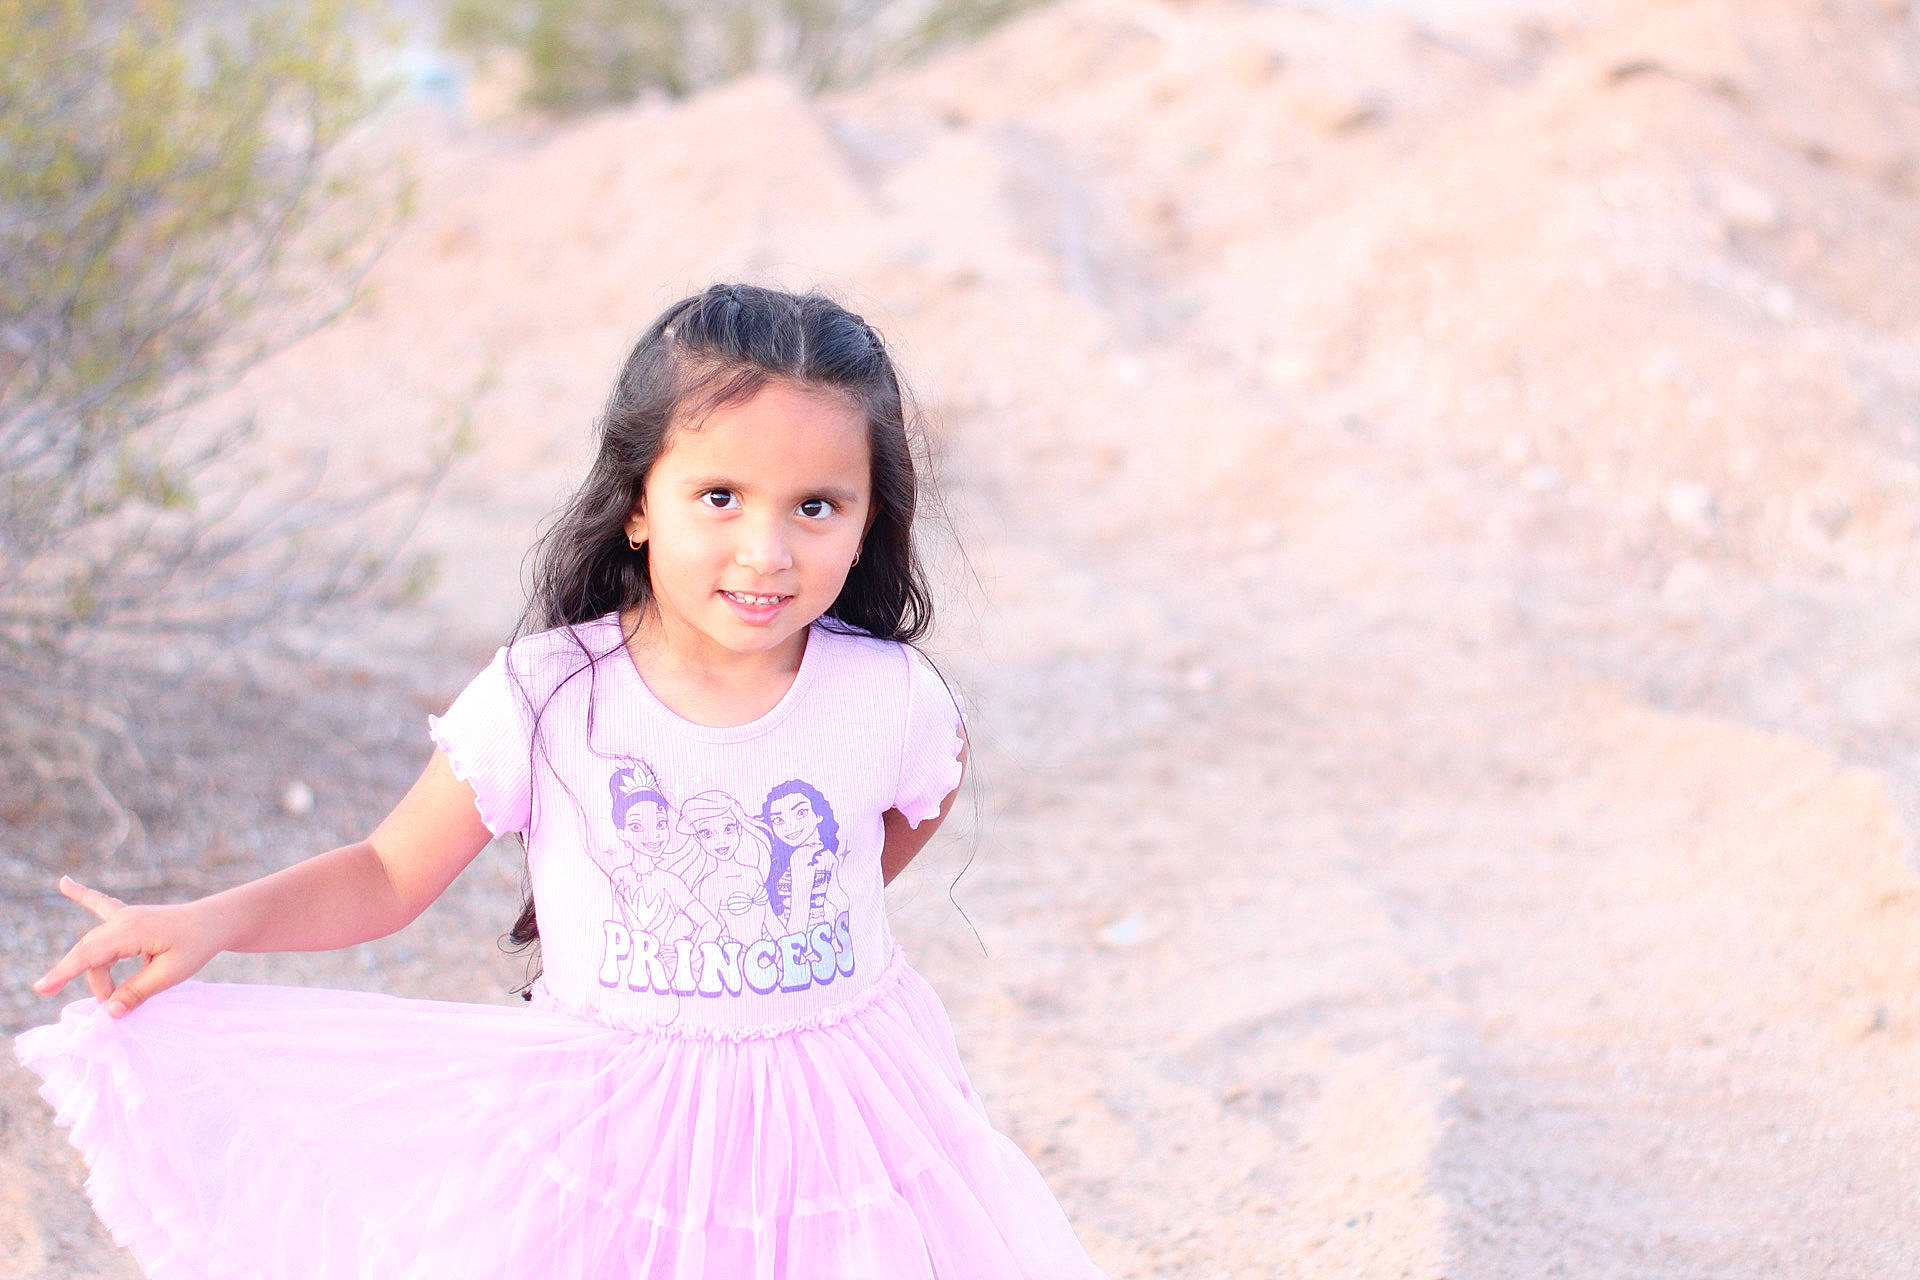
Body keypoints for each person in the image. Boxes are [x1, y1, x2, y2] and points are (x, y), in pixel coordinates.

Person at [15, 284, 1107, 1278]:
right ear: (638, 501)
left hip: (843, 1108)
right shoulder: (547, 697)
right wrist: (211, 921)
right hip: (614, 1121)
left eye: (817, 505)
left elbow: (895, 822)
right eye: (719, 495)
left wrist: (794, 928)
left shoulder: (892, 696)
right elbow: (389, 871)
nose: (766, 550)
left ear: (870, 517)